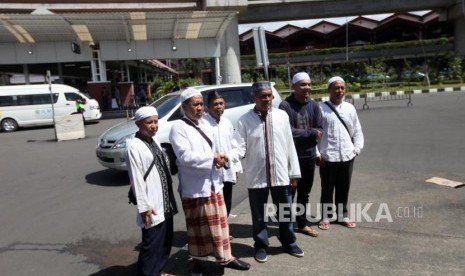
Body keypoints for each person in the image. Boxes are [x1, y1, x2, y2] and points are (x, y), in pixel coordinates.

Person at [168, 88, 250, 274]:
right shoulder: (178, 127)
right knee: (198, 230)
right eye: (195, 104)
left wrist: (222, 159)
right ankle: (196, 262)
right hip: (195, 187)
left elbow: (218, 147)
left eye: (200, 104)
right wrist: (212, 159)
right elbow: (184, 156)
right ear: (184, 107)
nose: (200, 108)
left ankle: (225, 258)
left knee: (221, 226)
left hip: (214, 183)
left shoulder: (204, 124)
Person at [229, 81, 303, 263]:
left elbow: (289, 145)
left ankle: (289, 242)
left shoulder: (281, 116)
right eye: (262, 96)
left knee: (285, 211)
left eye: (269, 95)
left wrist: (294, 173)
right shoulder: (245, 120)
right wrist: (229, 158)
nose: (267, 99)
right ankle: (261, 246)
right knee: (259, 214)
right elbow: (239, 146)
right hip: (257, 176)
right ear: (253, 97)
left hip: (281, 175)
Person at [125, 106, 178, 276]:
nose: (154, 125)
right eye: (149, 122)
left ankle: (159, 271)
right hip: (151, 204)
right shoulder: (134, 145)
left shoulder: (153, 140)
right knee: (151, 244)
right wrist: (144, 206)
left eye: (155, 122)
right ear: (139, 124)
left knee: (165, 241)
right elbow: (136, 179)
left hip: (165, 200)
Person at [316, 76, 364, 231]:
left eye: (342, 87)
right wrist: (317, 153)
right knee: (327, 188)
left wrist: (357, 148)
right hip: (327, 156)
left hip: (347, 155)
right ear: (329, 90)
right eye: (336, 88)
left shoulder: (350, 108)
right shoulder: (320, 109)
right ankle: (326, 216)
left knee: (344, 187)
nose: (340, 91)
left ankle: (342, 215)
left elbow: (357, 130)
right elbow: (314, 134)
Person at [279, 72, 322, 238]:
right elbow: (288, 132)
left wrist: (312, 133)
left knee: (305, 192)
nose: (307, 88)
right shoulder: (285, 106)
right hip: (291, 158)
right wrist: (311, 132)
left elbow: (321, 129)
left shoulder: (314, 105)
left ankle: (302, 223)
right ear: (294, 87)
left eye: (309, 84)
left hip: (309, 156)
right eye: (303, 85)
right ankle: (285, 228)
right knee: (288, 193)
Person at [204, 90, 242, 219]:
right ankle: (214, 233)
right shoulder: (203, 124)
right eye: (215, 104)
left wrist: (236, 168)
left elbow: (233, 146)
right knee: (212, 203)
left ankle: (224, 231)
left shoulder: (227, 123)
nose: (219, 107)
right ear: (208, 106)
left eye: (221, 103)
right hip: (211, 171)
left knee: (227, 200)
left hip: (227, 169)